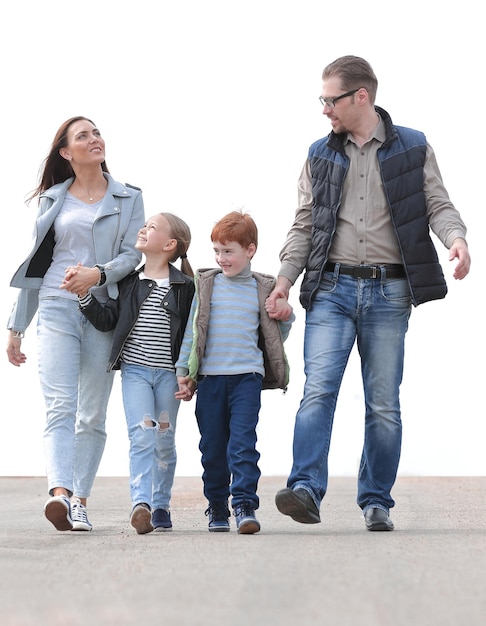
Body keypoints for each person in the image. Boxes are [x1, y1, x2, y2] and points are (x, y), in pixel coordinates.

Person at [266, 55, 471, 532]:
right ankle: (305, 490)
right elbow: (304, 223)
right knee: (317, 391)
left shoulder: (413, 146)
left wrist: (456, 239)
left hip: (389, 292)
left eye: (329, 99)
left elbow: (437, 204)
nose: (324, 110)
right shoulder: (320, 153)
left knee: (383, 402)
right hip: (331, 288)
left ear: (361, 96)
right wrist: (284, 279)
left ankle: (376, 500)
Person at [6, 116, 145, 532]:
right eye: (83, 136)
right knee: (60, 406)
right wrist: (16, 327)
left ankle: (80, 500)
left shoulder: (128, 197)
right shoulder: (52, 200)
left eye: (96, 132)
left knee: (92, 413)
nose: (94, 139)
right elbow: (38, 261)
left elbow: (132, 254)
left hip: (102, 311)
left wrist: (97, 275)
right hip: (54, 306)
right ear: (67, 153)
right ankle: (60, 494)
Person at [175, 210, 294, 534]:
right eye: (217, 251)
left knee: (242, 445)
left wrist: (286, 316)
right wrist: (184, 372)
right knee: (213, 448)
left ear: (249, 250)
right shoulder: (208, 285)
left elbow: (274, 336)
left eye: (228, 251)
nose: (221, 258)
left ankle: (244, 504)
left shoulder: (262, 288)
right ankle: (217, 506)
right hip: (211, 380)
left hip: (247, 379)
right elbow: (193, 332)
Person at [77, 213, 195, 534]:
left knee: (164, 440)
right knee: (142, 435)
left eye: (152, 227)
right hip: (136, 373)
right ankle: (140, 504)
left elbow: (193, 336)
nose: (143, 229)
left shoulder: (186, 287)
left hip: (170, 376)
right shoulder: (130, 282)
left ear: (169, 245)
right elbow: (108, 320)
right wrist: (85, 296)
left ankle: (160, 505)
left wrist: (191, 375)